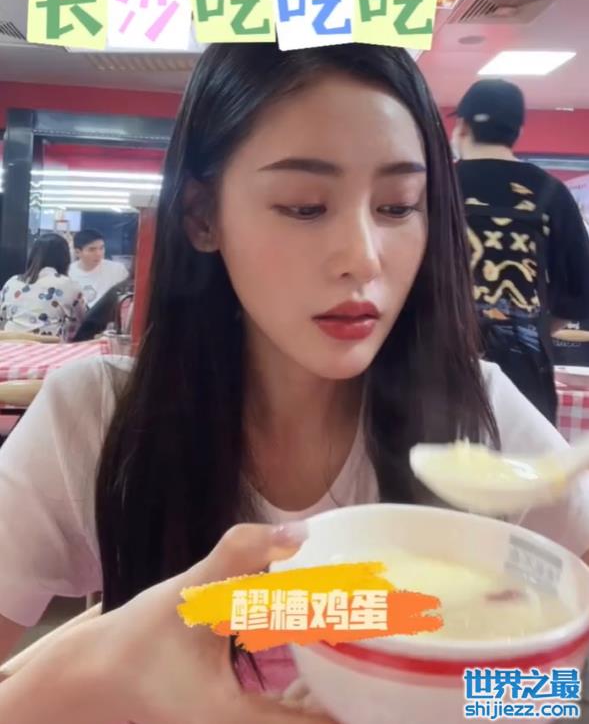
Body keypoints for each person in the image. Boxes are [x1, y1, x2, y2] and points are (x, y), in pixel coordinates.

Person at [1, 44, 589, 722]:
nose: (363, 258)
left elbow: (565, 695)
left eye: (398, 206)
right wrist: (86, 674)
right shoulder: (99, 418)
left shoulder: (479, 416)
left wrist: (457, 703)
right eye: (306, 206)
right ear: (201, 216)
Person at [451, 79, 589, 424]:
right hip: (524, 364)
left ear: (463, 127)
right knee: (522, 452)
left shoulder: (436, 185)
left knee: (437, 453)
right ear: (517, 131)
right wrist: (532, 326)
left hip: (440, 358)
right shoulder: (550, 191)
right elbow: (581, 288)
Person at [0, 233, 86, 339]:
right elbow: (84, 322)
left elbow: (2, 319)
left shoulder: (12, 282)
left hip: (10, 344)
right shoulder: (69, 285)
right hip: (48, 346)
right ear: (65, 259)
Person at [69, 229, 129, 308]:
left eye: (101, 248)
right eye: (92, 250)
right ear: (77, 252)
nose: (99, 254)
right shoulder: (69, 273)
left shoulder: (117, 270)